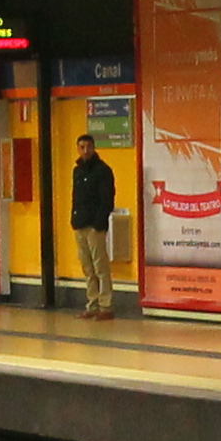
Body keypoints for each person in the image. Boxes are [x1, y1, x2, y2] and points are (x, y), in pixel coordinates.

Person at [68, 134, 118, 316]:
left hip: (95, 226)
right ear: (78, 148)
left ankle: (106, 305)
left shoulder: (103, 170)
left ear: (94, 147)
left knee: (100, 266)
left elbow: (107, 199)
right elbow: (75, 197)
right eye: (82, 147)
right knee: (87, 267)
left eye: (88, 147)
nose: (85, 150)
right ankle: (93, 303)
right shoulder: (77, 171)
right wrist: (74, 220)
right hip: (80, 223)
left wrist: (99, 223)